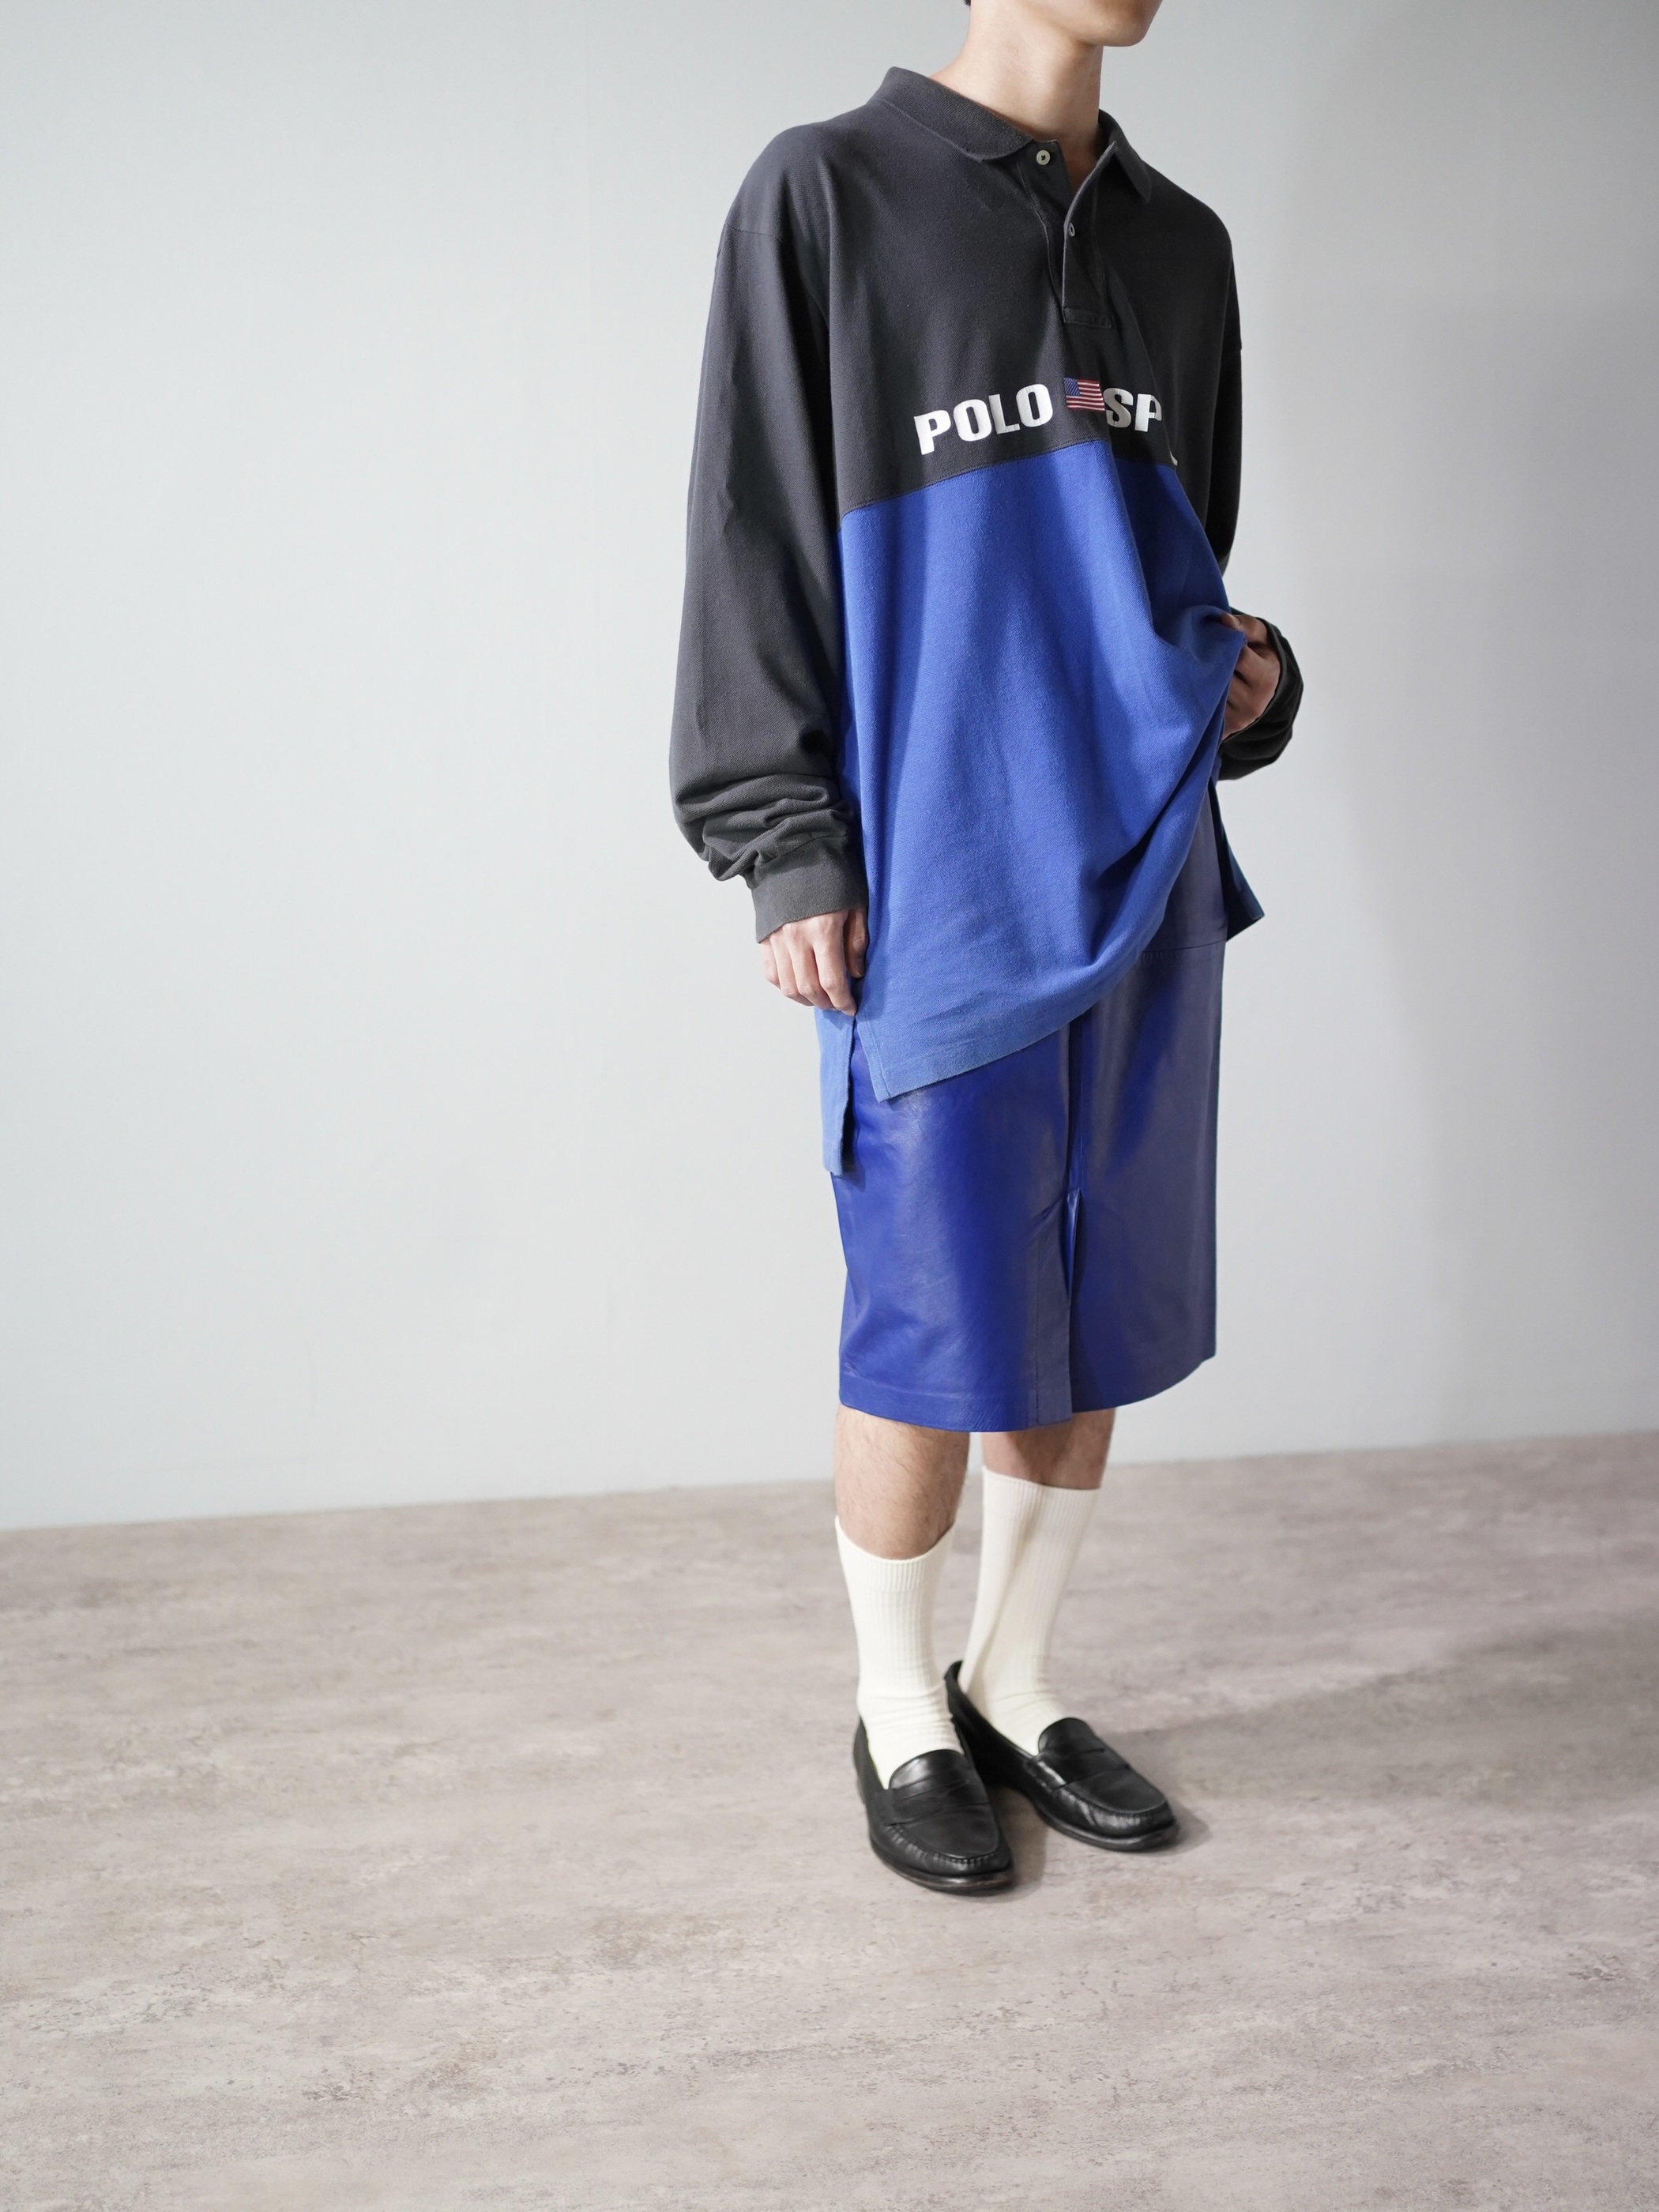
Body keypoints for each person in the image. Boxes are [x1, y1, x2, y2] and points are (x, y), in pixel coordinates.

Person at [670, 0, 1302, 1893]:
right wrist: (783, 837)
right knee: (935, 1310)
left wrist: (1254, 684)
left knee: (1094, 1306)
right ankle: (897, 1706)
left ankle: (1015, 1681)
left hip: (1148, 874)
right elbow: (751, 535)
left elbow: (1178, 570)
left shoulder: (1182, 248)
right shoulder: (827, 196)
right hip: (939, 875)